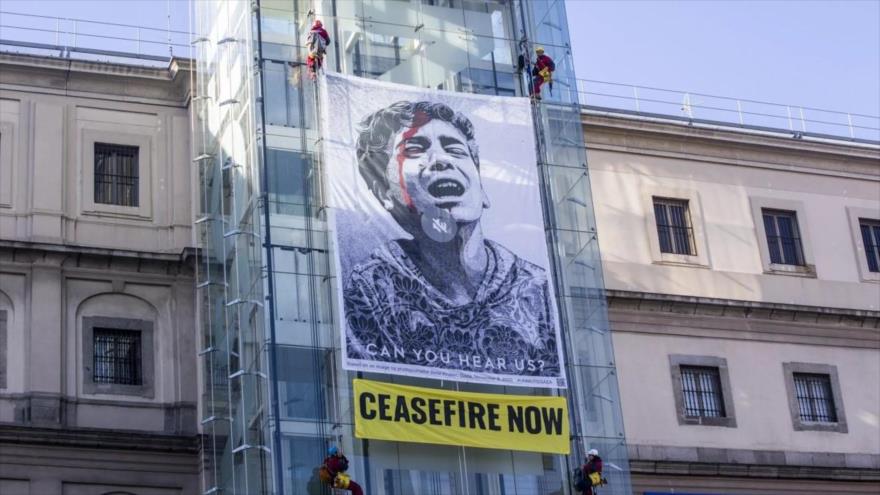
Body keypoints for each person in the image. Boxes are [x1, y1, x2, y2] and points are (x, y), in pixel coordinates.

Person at [343, 100, 559, 376]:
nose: (441, 161)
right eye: (414, 149)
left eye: (455, 149)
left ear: (480, 185)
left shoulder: (537, 288)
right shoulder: (373, 284)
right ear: (384, 192)